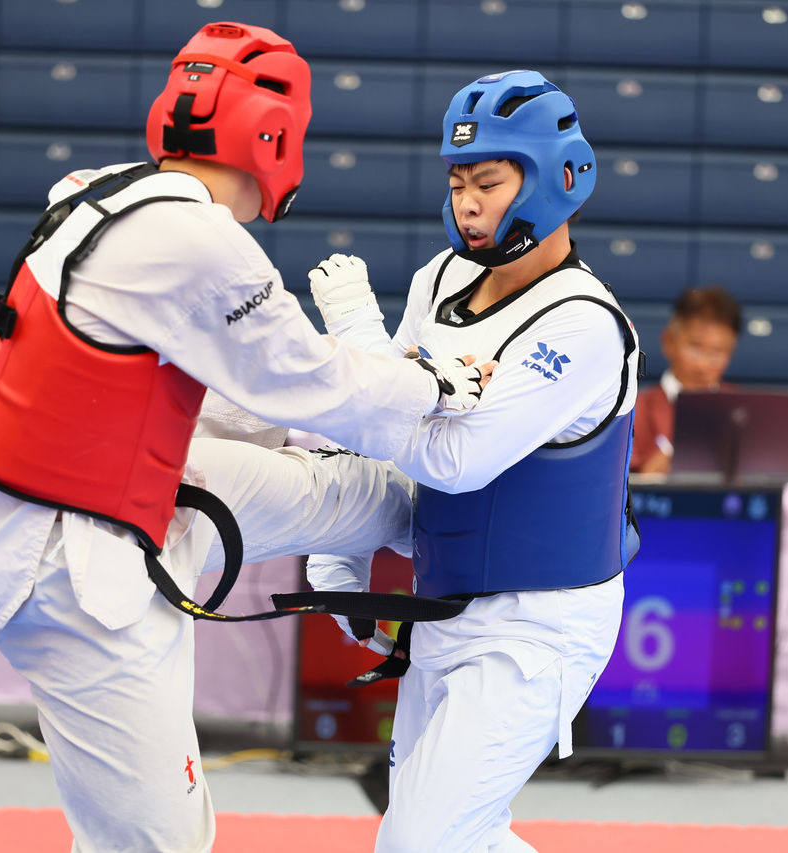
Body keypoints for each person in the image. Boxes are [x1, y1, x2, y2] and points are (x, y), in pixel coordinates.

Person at [0, 22, 492, 853]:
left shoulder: (97, 191)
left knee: (362, 493)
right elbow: (317, 383)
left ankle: (473, 573)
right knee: (155, 844)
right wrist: (433, 385)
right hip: (77, 568)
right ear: (273, 137)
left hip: (132, 477)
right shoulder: (198, 240)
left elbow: (230, 386)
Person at [303, 70, 641, 852]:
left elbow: (455, 458)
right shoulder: (441, 277)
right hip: (445, 600)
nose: (468, 203)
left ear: (559, 178)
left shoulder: (584, 324)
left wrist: (359, 340)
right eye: (457, 184)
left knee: (416, 842)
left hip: (539, 623)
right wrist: (339, 552)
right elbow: (378, 424)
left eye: (488, 182)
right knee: (459, 838)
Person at [629, 284, 742, 476]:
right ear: (669, 342)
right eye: (695, 348)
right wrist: (647, 480)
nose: (703, 365)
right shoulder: (634, 410)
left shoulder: (742, 411)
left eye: (718, 353)